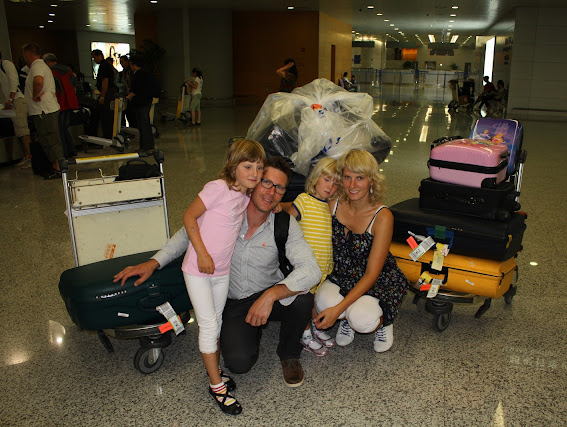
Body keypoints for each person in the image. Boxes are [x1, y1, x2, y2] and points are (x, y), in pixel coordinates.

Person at [113, 157, 321, 391]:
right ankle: (250, 332)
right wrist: (154, 262)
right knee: (239, 363)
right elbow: (186, 235)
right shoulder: (226, 211)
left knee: (303, 299)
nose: (271, 192)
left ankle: (289, 353)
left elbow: (311, 269)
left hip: (268, 293)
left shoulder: (284, 224)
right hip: (234, 300)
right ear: (253, 182)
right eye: (266, 183)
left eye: (279, 187)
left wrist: (271, 295)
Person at [181, 139, 266, 416]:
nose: (254, 173)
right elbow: (189, 217)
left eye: (259, 168)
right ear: (233, 166)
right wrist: (202, 254)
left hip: (221, 272)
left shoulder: (245, 196)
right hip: (198, 269)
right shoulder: (217, 188)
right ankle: (217, 386)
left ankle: (214, 372)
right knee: (208, 326)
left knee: (216, 323)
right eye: (247, 166)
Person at [314, 149, 409, 353]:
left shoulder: (382, 217)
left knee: (361, 319)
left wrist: (338, 310)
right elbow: (307, 206)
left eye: (360, 178)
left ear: (372, 180)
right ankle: (347, 316)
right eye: (347, 177)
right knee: (323, 303)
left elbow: (372, 274)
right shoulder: (334, 203)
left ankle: (384, 321)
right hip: (343, 275)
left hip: (378, 280)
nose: (352, 185)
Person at [284, 158, 340, 357]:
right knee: (304, 301)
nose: (330, 186)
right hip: (305, 266)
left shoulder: (329, 206)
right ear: (315, 178)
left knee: (314, 301)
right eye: (327, 179)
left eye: (335, 183)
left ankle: (315, 327)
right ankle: (305, 333)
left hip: (323, 267)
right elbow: (287, 223)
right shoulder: (303, 200)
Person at [23, 42, 63, 178]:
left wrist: (35, 95)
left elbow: (38, 81)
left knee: (49, 138)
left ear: (28, 53)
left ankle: (57, 167)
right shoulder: (41, 65)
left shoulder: (37, 66)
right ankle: (56, 166)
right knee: (50, 138)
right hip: (44, 109)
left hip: (43, 110)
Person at [43, 53, 79, 158]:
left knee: (60, 129)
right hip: (70, 102)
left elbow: (54, 88)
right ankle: (72, 150)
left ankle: (65, 152)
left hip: (60, 102)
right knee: (65, 128)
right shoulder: (67, 71)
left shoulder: (52, 72)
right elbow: (75, 84)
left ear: (48, 62)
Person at [0, 51, 31, 168]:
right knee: (17, 130)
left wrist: (10, 99)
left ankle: (29, 157)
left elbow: (14, 82)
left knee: (22, 129)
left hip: (17, 100)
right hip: (10, 103)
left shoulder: (6, 64)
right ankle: (24, 156)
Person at [125, 56, 155, 151]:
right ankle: (149, 144)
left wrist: (128, 97)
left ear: (134, 65)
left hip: (141, 102)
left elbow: (135, 89)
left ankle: (144, 146)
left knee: (142, 124)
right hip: (146, 101)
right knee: (146, 124)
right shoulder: (146, 73)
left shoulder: (138, 75)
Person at [91, 49, 117, 139]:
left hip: (107, 94)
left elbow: (105, 81)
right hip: (109, 92)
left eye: (94, 57)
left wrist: (102, 96)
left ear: (99, 56)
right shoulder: (106, 65)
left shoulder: (104, 66)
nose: (94, 60)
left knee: (106, 116)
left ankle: (107, 136)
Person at [118, 55, 135, 128]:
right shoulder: (123, 72)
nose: (121, 64)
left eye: (122, 62)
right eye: (120, 62)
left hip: (130, 95)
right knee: (126, 113)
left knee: (131, 116)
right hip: (126, 95)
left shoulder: (130, 72)